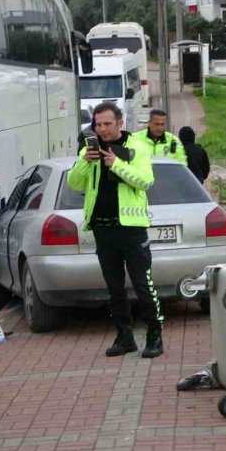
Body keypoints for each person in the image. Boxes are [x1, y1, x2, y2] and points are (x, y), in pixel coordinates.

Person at [66, 102, 165, 359]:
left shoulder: (137, 146)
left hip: (131, 229)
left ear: (120, 123)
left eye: (107, 124)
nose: (102, 129)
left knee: (143, 284)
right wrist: (85, 163)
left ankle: (154, 335)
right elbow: (74, 183)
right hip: (103, 228)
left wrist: (116, 164)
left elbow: (146, 181)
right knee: (114, 288)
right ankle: (124, 337)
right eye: (98, 124)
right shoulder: (90, 149)